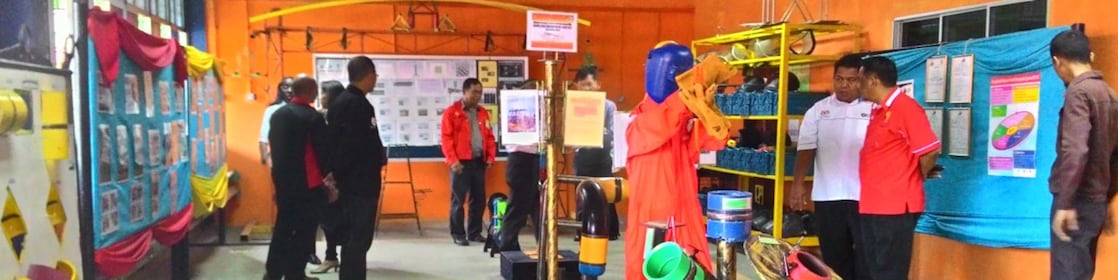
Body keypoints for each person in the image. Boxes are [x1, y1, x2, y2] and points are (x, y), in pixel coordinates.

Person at [856, 56, 941, 280]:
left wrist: (917, 174)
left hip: (895, 206)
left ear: (873, 80)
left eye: (860, 79)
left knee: (889, 272)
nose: (858, 85)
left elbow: (930, 150)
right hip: (872, 204)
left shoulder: (906, 108)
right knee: (874, 270)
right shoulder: (879, 111)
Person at [789, 54, 871, 280]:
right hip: (828, 197)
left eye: (851, 80)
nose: (844, 85)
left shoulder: (874, 108)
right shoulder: (818, 110)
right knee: (835, 257)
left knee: (867, 257)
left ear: (862, 80)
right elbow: (806, 148)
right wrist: (797, 185)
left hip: (864, 197)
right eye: (839, 79)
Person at [1048, 30, 1118, 280]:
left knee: (1066, 274)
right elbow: (1115, 156)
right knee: (1082, 273)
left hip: (1075, 202)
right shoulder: (1110, 95)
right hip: (1095, 202)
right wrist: (1106, 199)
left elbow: (1075, 150)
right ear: (1091, 56)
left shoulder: (1078, 93)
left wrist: (1065, 203)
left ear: (1058, 62)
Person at [264, 77, 337, 280]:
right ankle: (295, 274)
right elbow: (322, 152)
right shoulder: (312, 118)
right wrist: (330, 180)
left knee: (283, 229)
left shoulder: (278, 115)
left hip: (283, 182)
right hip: (307, 185)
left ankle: (272, 273)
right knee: (304, 232)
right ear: (311, 92)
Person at [326, 56, 388, 280]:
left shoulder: (342, 102)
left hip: (354, 183)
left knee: (355, 241)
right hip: (359, 185)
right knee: (356, 240)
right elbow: (349, 147)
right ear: (369, 75)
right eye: (375, 75)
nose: (375, 79)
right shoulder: (357, 105)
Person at [440, 78, 497, 246]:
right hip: (460, 163)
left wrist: (490, 157)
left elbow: (489, 137)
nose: (477, 96)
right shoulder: (451, 113)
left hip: (478, 161)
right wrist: (453, 161)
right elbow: (446, 139)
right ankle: (458, 233)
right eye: (474, 92)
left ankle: (474, 232)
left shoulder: (483, 112)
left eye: (480, 92)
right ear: (464, 92)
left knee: (478, 199)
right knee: (458, 200)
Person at [571, 67, 620, 241]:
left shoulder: (609, 106)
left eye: (590, 84)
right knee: (583, 193)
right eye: (583, 84)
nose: (587, 88)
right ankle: (582, 231)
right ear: (577, 86)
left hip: (602, 156)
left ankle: (609, 230)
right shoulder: (573, 106)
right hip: (583, 155)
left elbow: (613, 132)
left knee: (606, 194)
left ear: (598, 84)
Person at [310, 80, 346, 274]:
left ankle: (336, 257)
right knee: (327, 217)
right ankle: (331, 256)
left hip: (338, 175)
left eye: (325, 93)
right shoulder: (319, 117)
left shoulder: (341, 118)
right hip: (324, 175)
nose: (321, 97)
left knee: (338, 217)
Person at [260, 77, 294, 167]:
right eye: (285, 87)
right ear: (280, 89)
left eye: (293, 87)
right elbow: (263, 137)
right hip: (279, 158)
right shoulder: (272, 110)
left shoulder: (304, 110)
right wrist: (265, 157)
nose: (289, 90)